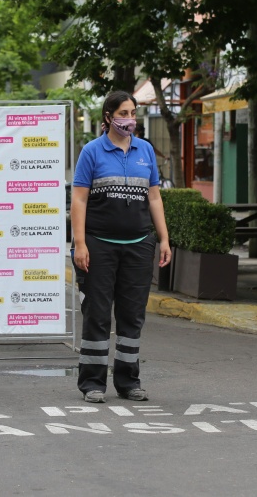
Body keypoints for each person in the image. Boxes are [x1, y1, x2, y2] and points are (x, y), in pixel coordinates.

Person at [71, 90, 172, 403]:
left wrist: (164, 238)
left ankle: (129, 382)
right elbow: (79, 199)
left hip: (139, 245)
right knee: (97, 314)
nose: (130, 119)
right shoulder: (92, 152)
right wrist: (80, 243)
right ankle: (92, 383)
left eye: (133, 113)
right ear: (108, 117)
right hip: (99, 245)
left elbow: (154, 197)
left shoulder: (145, 151)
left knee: (132, 315)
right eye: (124, 113)